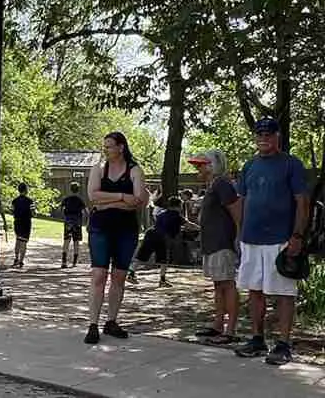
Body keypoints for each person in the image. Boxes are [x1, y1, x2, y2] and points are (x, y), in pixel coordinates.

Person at [233, 117, 309, 366]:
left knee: (284, 292)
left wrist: (297, 236)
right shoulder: (249, 166)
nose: (263, 138)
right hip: (251, 239)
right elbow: (241, 201)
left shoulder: (291, 164)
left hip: (281, 240)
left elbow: (302, 202)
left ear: (278, 136)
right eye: (259, 134)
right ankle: (257, 339)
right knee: (254, 290)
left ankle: (284, 344)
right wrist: (239, 233)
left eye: (268, 134)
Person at [84, 132, 147, 345]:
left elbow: (138, 201)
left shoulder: (135, 170)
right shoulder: (98, 169)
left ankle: (111, 321)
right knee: (99, 274)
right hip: (100, 227)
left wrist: (106, 202)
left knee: (119, 277)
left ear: (121, 147)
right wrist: (121, 197)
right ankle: (93, 324)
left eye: (109, 146)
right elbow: (93, 196)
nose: (106, 150)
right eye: (105, 147)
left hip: (126, 229)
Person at [188, 149, 242, 345]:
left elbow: (237, 212)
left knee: (227, 283)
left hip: (223, 243)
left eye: (200, 165)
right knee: (218, 284)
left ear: (211, 166)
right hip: (211, 244)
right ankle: (218, 324)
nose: (197, 169)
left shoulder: (222, 184)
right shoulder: (212, 185)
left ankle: (230, 329)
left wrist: (238, 239)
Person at [127, 196, 198, 286]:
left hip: (151, 233)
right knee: (163, 259)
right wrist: (200, 228)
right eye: (180, 206)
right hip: (162, 237)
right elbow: (189, 225)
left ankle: (131, 274)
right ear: (178, 206)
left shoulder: (162, 213)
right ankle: (162, 280)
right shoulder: (177, 215)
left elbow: (165, 224)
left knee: (142, 255)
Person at [60, 182, 88, 269]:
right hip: (77, 223)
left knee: (66, 241)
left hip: (68, 222)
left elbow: (61, 208)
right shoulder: (80, 200)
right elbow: (86, 211)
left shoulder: (66, 199)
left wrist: (65, 215)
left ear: (70, 189)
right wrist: (85, 219)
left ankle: (64, 262)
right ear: (78, 190)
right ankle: (74, 262)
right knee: (76, 242)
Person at [11, 183, 35, 268]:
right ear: (26, 190)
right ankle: (21, 260)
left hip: (17, 222)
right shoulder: (30, 201)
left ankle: (16, 258)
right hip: (26, 223)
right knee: (24, 241)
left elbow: (12, 212)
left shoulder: (14, 201)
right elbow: (33, 213)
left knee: (18, 240)